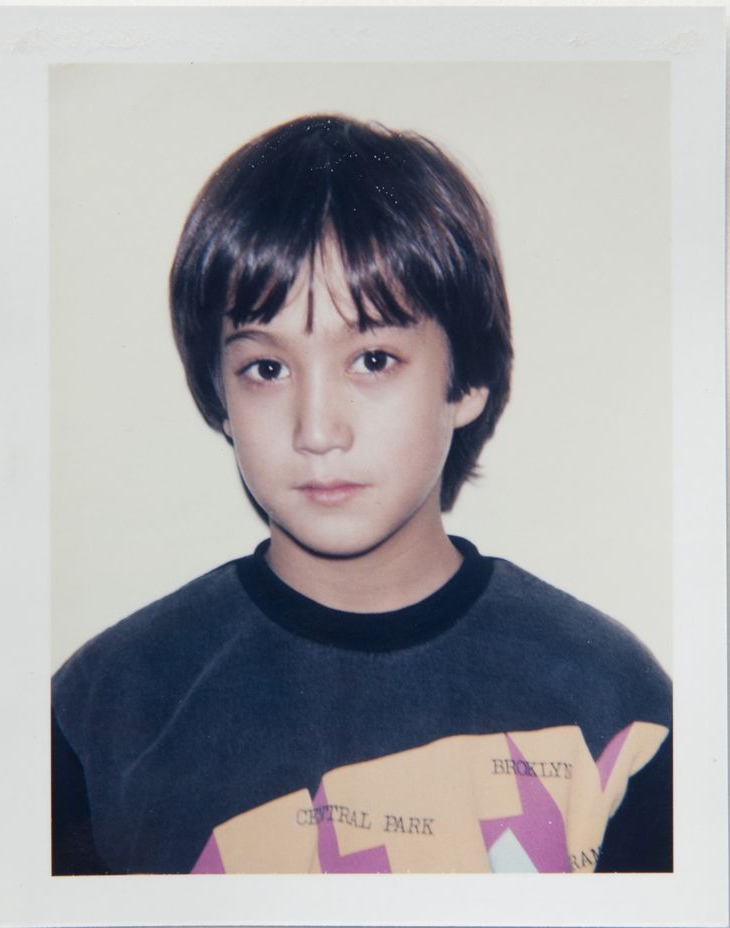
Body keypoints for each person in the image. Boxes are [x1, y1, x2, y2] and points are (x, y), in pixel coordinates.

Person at [51, 114, 671, 875]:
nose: (317, 430)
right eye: (266, 368)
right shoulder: (103, 708)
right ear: (218, 394)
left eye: (373, 358)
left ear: (467, 382)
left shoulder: (612, 700)